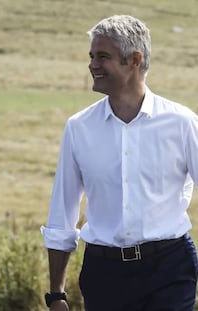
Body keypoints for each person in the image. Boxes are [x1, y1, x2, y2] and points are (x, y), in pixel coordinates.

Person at [41, 15, 198, 311]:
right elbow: (62, 213)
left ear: (134, 60)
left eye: (103, 56)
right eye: (91, 56)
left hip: (170, 268)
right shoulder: (79, 128)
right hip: (104, 274)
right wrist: (56, 294)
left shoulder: (182, 123)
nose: (92, 65)